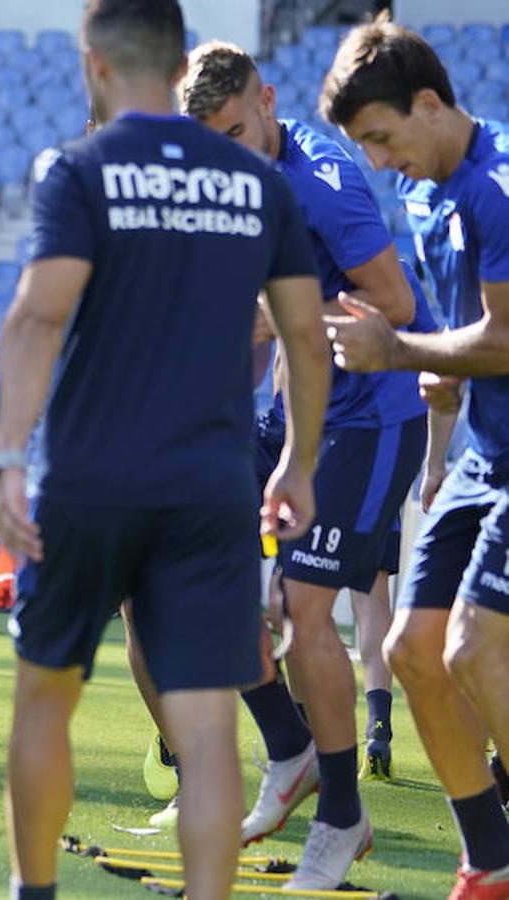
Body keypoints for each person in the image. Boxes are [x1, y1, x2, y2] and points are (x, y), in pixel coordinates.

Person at [0, 1, 331, 897]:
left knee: (45, 697)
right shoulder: (260, 184)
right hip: (211, 489)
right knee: (210, 728)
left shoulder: (80, 168)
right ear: (184, 65)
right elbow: (306, 335)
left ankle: (35, 892)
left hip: (88, 482)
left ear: (92, 62)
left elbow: (35, 316)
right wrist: (298, 463)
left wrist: (8, 459)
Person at [178, 40, 432, 887]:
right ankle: (289, 751)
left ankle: (341, 815)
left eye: (240, 130)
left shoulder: (324, 191)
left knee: (303, 608)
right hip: (298, 414)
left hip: (375, 419)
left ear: (270, 100)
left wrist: (280, 315)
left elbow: (395, 307)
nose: (230, 151)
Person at [320, 17, 509, 897]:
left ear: (430, 104)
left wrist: (400, 354)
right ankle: (490, 862)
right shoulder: (428, 196)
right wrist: (438, 397)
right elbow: (459, 345)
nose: (382, 160)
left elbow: (504, 339)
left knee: (474, 650)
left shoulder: (497, 185)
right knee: (410, 650)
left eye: (384, 138)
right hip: (485, 454)